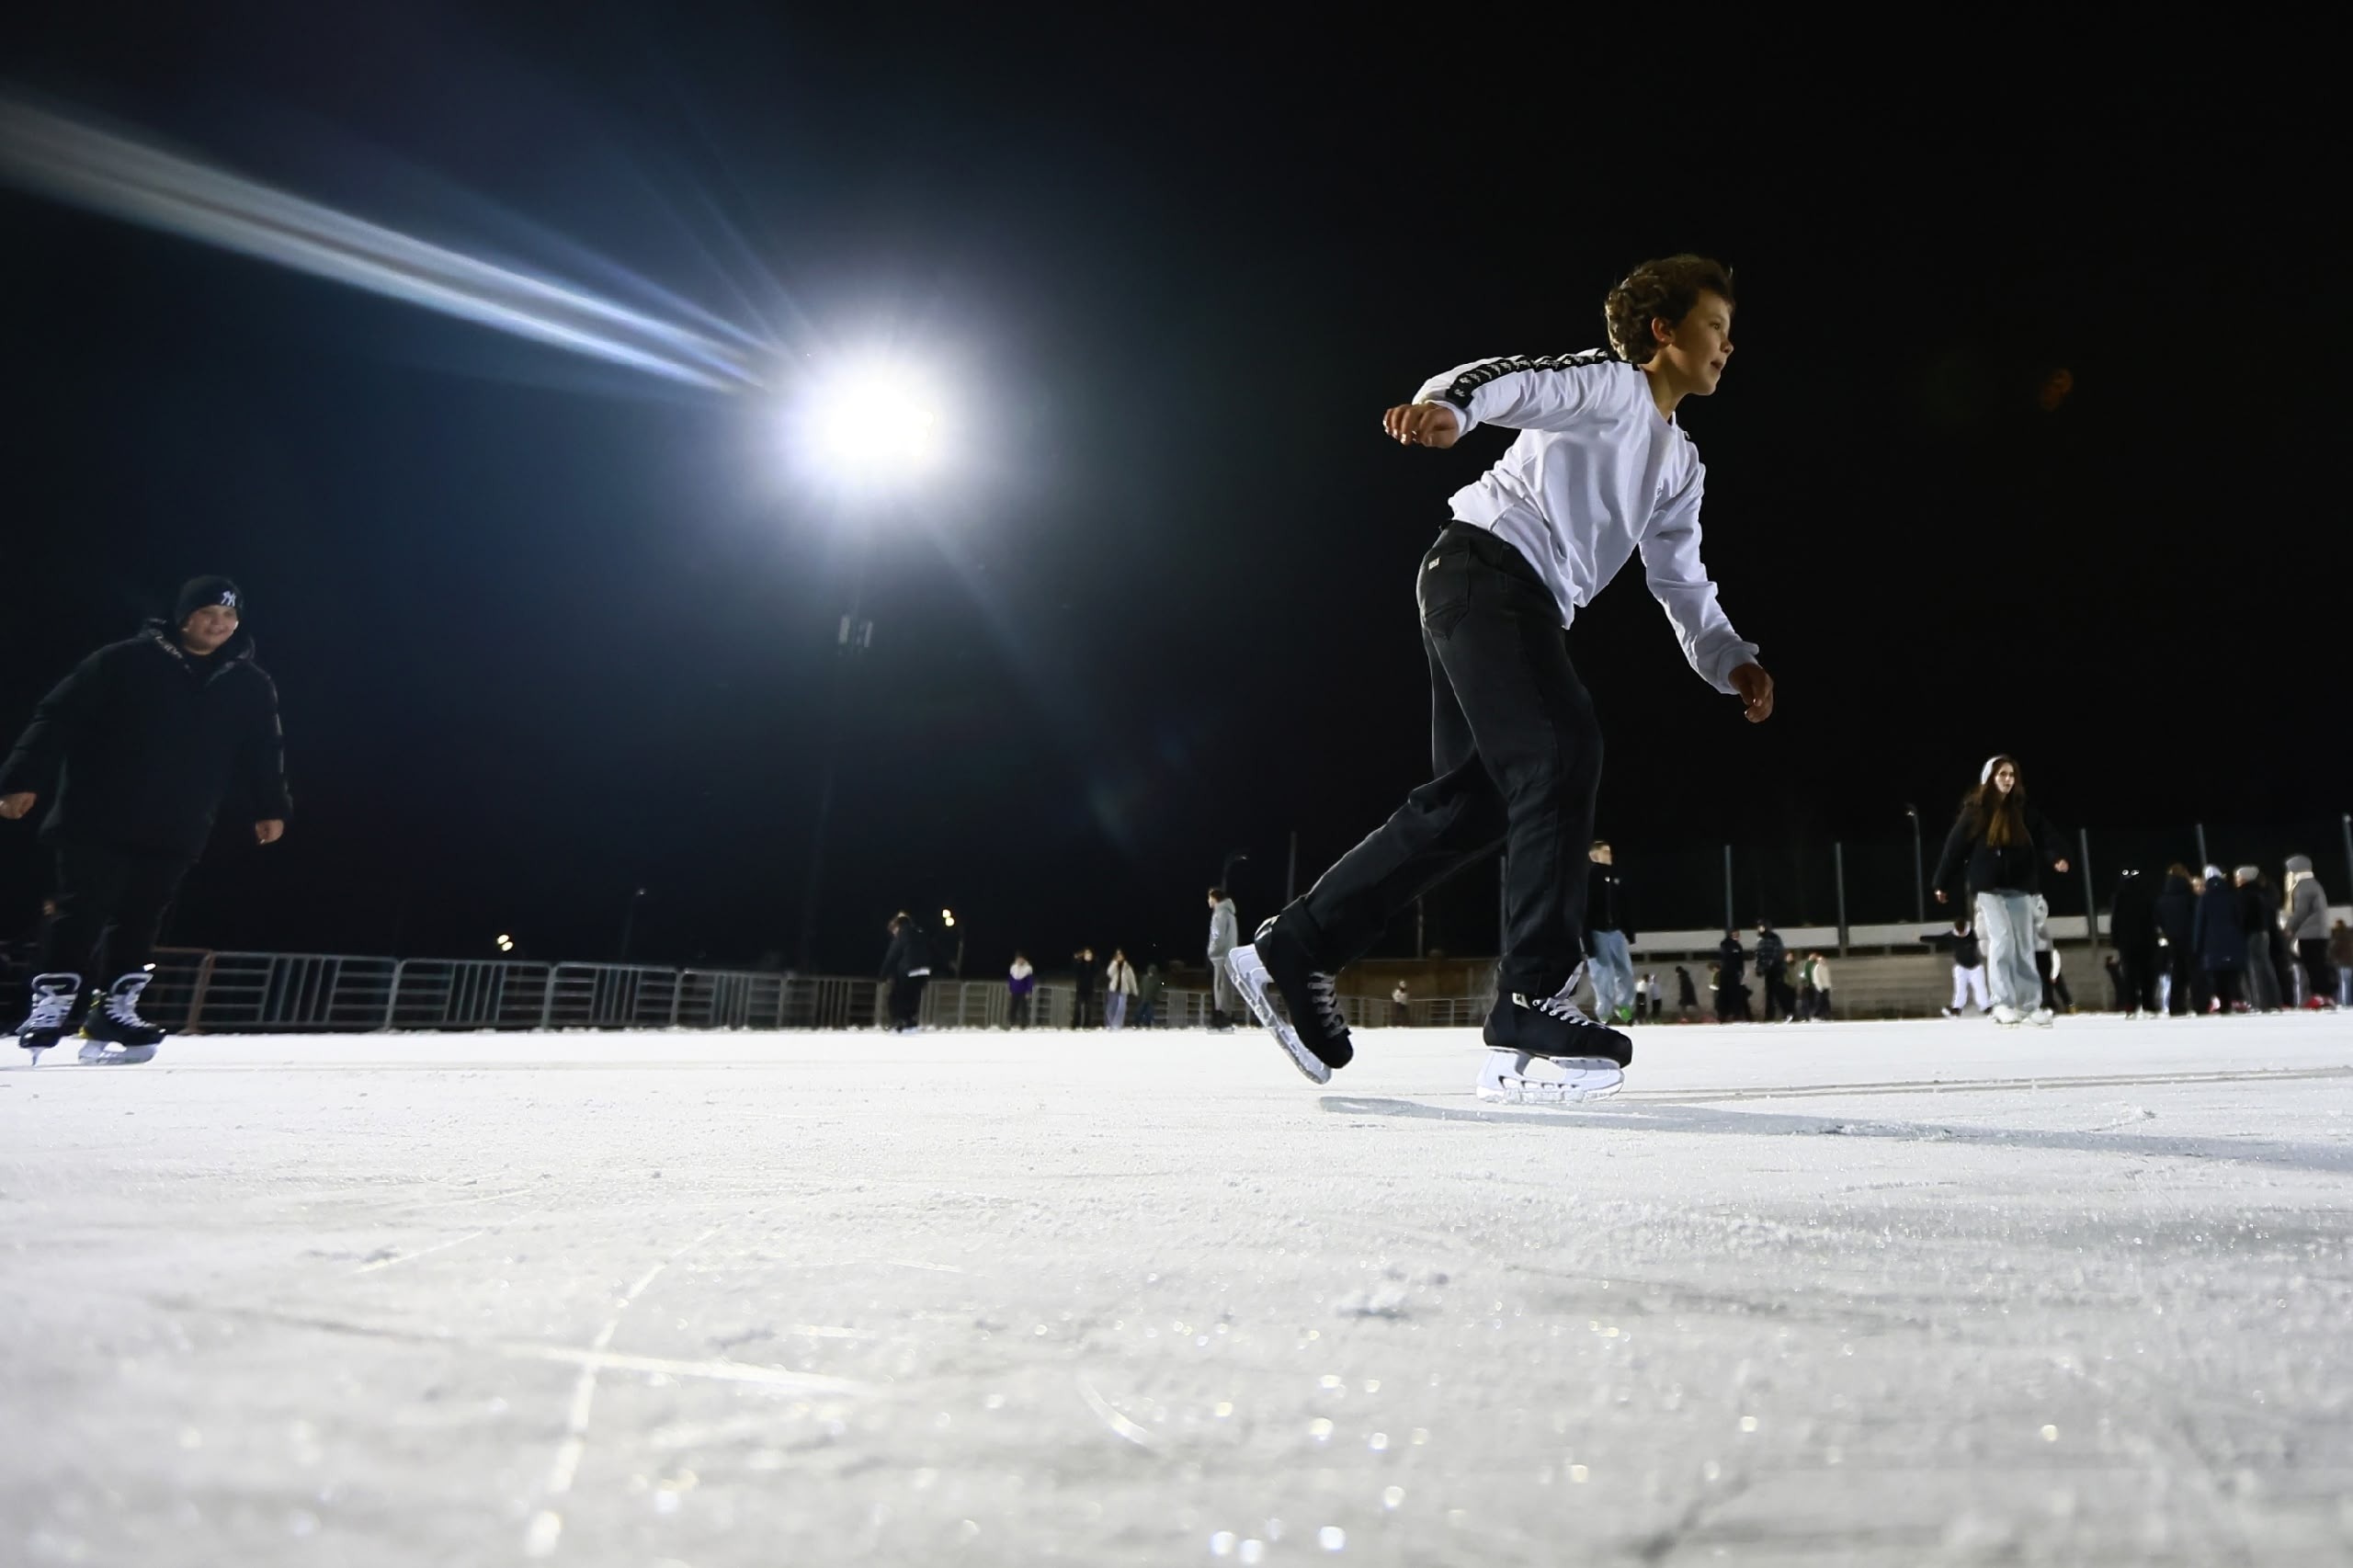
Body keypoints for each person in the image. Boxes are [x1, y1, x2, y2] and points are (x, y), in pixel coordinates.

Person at [1222, 256, 1770, 1102]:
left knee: (1474, 802)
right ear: (1664, 331)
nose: (1728, 346)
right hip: (1486, 568)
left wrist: (1729, 656)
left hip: (1508, 595)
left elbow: (1682, 581)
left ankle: (1297, 947)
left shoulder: (1681, 465)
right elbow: (1513, 381)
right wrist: (1450, 406)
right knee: (1560, 751)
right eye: (1715, 327)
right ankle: (1532, 996)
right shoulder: (1610, 384)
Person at [3, 576, 290, 1062]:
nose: (219, 624)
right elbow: (57, 717)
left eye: (229, 617)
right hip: (97, 813)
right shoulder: (122, 661)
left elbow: (264, 751)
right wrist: (20, 778)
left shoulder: (249, 683)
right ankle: (50, 1005)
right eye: (208, 614)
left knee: (142, 917)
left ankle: (116, 1007)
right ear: (184, 617)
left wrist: (271, 807)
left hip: (178, 820)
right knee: (82, 909)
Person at [1931, 756, 2068, 1027]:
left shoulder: (2023, 810)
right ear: (1990, 779)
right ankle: (2002, 1003)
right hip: (1988, 888)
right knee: (2003, 940)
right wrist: (1941, 882)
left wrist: (2057, 856)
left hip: (2020, 886)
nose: (2007, 779)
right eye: (2002, 774)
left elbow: (2046, 835)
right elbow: (1954, 848)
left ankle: (2029, 1005)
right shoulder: (1977, 811)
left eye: (2011, 775)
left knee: (2024, 945)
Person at [1584, 840, 1637, 1026]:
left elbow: (1624, 905)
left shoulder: (1616, 876)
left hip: (1615, 933)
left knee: (1626, 973)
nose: (1609, 855)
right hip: (1596, 933)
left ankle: (1623, 1006)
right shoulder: (1588, 877)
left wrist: (1628, 930)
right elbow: (1582, 911)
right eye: (1605, 852)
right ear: (1594, 855)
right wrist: (1587, 941)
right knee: (1603, 975)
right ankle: (1604, 1012)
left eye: (1610, 852)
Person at [2191, 866, 2247, 1012]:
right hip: (2232, 940)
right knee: (2232, 974)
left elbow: (2200, 923)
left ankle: (2224, 1003)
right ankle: (2237, 999)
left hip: (2212, 943)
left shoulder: (2205, 898)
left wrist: (2197, 945)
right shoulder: (2231, 895)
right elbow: (2240, 919)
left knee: (2217, 975)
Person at [2282, 857, 2333, 1008]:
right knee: (2317, 965)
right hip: (2319, 932)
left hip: (2309, 933)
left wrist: (2289, 927)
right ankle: (2323, 996)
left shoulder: (2303, 886)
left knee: (2313, 967)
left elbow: (2301, 911)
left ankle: (2319, 996)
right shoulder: (2314, 884)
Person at [2109, 868, 2161, 1016]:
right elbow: (2152, 920)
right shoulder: (2146, 895)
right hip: (2145, 942)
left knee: (2129, 976)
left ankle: (2130, 1006)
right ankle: (2148, 1005)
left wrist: (2115, 941)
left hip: (2127, 944)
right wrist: (2154, 941)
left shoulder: (2119, 897)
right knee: (2146, 975)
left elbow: (2115, 922)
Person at [2232, 868, 2282, 1012]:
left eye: (2238, 876)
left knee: (2255, 969)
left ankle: (2261, 1002)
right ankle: (2274, 1001)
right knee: (2266, 967)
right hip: (2263, 933)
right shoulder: (2261, 892)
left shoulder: (2244, 894)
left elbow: (2243, 917)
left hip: (2252, 934)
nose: (2236, 879)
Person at [2154, 863, 2200, 1017]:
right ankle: (2200, 1003)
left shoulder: (2162, 899)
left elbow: (2158, 919)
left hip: (2173, 940)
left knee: (2177, 974)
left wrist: (2168, 932)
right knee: (2195, 973)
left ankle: (2175, 1005)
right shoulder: (2190, 897)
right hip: (2191, 939)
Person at [1923, 917, 1990, 1017]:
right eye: (1959, 933)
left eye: (1963, 932)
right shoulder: (1952, 936)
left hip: (1975, 967)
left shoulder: (1972, 934)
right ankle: (1957, 1008)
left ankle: (1986, 1007)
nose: (1961, 934)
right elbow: (1939, 938)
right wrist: (1922, 938)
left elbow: (1983, 936)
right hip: (1961, 967)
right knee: (1960, 988)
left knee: (1980, 988)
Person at [880, 913, 932, 1032]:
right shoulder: (920, 932)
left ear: (897, 926)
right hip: (925, 970)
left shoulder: (902, 933)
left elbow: (892, 956)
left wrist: (883, 976)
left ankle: (898, 1020)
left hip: (909, 970)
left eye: (893, 930)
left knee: (895, 997)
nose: (893, 933)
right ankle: (910, 1021)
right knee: (912, 997)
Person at [1204, 889, 1240, 1032]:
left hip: (1220, 956)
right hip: (1229, 955)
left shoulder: (1219, 914)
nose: (1208, 901)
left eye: (1209, 898)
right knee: (1227, 988)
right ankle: (1228, 1017)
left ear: (1214, 898)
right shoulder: (1231, 915)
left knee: (1220, 988)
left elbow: (1217, 936)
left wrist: (1211, 951)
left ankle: (1221, 1021)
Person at [1754, 920, 1793, 1021]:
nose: (1761, 929)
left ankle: (1788, 1012)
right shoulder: (1759, 940)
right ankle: (1769, 1016)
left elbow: (1778, 953)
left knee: (1779, 992)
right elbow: (1758, 955)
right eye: (1759, 927)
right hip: (1768, 971)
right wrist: (1758, 968)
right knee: (1769, 994)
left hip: (1777, 969)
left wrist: (1770, 964)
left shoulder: (1775, 938)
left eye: (1762, 927)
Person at [1714, 930, 1749, 1023]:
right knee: (1724, 995)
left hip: (1735, 974)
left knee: (1736, 995)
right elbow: (1725, 956)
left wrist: (1741, 973)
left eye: (1738, 934)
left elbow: (1740, 961)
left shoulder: (1738, 946)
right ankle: (1723, 1015)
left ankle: (1736, 1015)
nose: (1737, 936)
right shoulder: (1725, 944)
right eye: (1734, 934)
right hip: (1726, 974)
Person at [1104, 948, 1139, 1029]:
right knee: (1111, 1007)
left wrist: (1135, 990)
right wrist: (1114, 963)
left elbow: (1131, 979)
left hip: (1123, 990)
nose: (1119, 957)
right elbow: (1109, 973)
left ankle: (1117, 1024)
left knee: (1121, 1007)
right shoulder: (1113, 964)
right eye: (1117, 955)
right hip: (1113, 990)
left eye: (1120, 955)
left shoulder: (1127, 967)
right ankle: (1110, 1024)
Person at [1070, 946, 1099, 1030]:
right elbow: (1074, 969)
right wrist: (1075, 959)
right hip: (1080, 989)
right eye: (1086, 953)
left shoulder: (1094, 964)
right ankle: (1075, 1025)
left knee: (1088, 1009)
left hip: (1090, 989)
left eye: (1090, 953)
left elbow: (1097, 971)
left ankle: (1087, 1025)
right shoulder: (1080, 963)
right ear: (1084, 955)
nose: (1088, 955)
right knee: (1077, 1008)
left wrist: (1096, 961)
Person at [1006, 951, 1035, 1028]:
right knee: (1013, 1007)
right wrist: (1010, 989)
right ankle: (1011, 1023)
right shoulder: (1013, 967)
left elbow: (1030, 981)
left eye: (1021, 959)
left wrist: (1029, 991)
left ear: (1024, 959)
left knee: (1023, 1008)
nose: (1019, 960)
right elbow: (1011, 980)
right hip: (1014, 991)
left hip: (1023, 991)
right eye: (1018, 959)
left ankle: (1024, 1024)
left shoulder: (1028, 968)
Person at [2329, 919, 2353, 1008]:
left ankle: (2343, 1002)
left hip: (2341, 963)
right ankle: (2348, 1001)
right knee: (2348, 983)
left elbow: (2333, 950)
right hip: (2350, 963)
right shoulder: (2349, 936)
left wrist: (2332, 959)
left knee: (2343, 983)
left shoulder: (2338, 936)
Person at [1138, 962, 1166, 1028]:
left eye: (1151, 971)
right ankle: (1141, 1022)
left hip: (1151, 999)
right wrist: (1140, 995)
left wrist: (1157, 997)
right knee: (1142, 1011)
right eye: (1149, 971)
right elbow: (1141, 987)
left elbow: (1159, 989)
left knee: (1149, 1012)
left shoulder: (1157, 980)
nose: (1150, 973)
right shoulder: (1145, 978)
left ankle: (1148, 1023)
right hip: (1144, 998)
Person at [1808, 952, 1834, 1019]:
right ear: (1818, 961)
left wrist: (1829, 986)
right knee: (1819, 1002)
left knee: (1826, 1002)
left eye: (1823, 960)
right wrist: (1819, 987)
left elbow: (1828, 978)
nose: (1823, 961)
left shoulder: (1825, 967)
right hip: (1820, 988)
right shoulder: (1817, 968)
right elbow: (1816, 978)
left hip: (1826, 987)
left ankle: (1826, 1015)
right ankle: (1814, 1016)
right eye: (1821, 960)